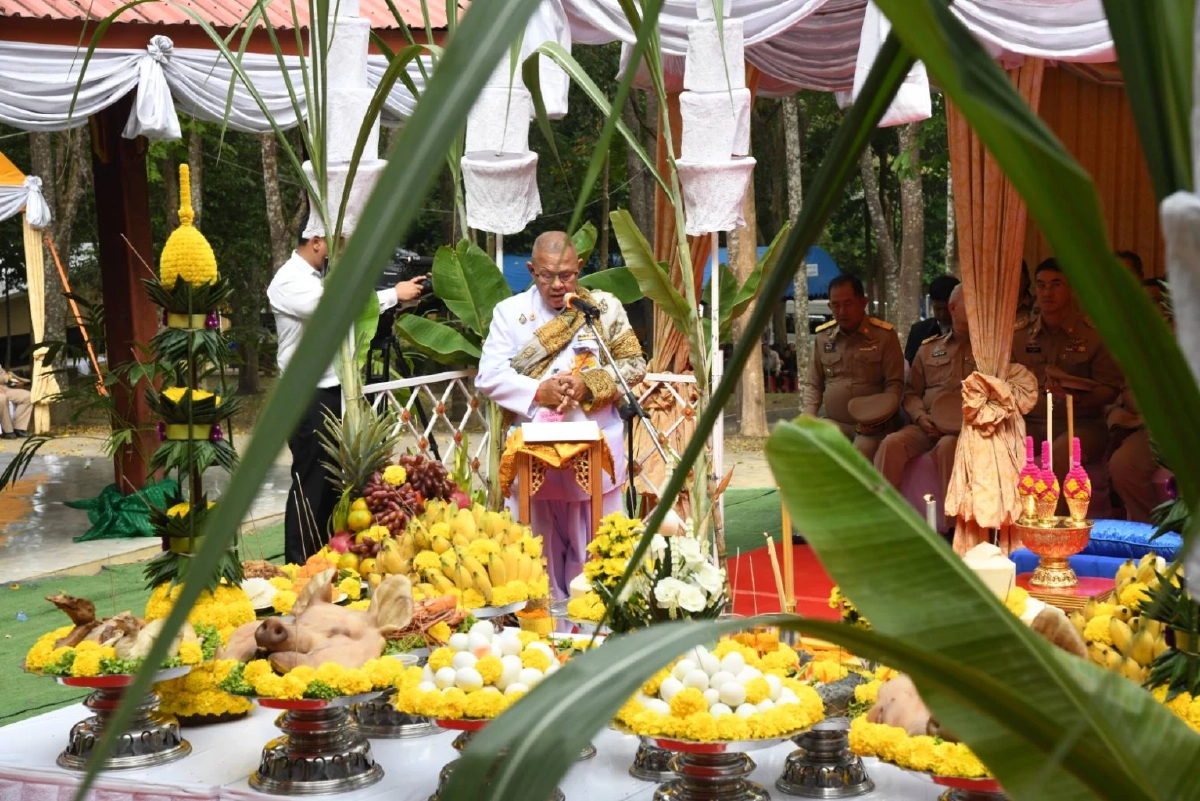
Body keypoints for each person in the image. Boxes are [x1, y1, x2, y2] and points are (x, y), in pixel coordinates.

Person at [476, 231, 646, 600]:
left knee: (601, 556)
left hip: (596, 451)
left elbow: (634, 365)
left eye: (566, 275)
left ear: (580, 268)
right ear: (531, 270)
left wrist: (589, 385)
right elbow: (488, 376)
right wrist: (540, 391)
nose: (557, 285)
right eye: (546, 275)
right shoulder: (509, 313)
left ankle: (598, 630)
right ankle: (543, 630)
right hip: (532, 457)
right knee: (536, 557)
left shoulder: (604, 307)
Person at [268, 227, 427, 566]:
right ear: (315, 242)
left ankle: (327, 558)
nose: (337, 253)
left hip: (332, 387)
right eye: (335, 245)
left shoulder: (316, 277)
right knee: (310, 478)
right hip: (305, 392)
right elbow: (334, 308)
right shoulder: (289, 280)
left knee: (329, 481)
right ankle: (299, 565)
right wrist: (391, 294)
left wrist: (397, 298)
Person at [1011, 258, 1122, 499]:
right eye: (1041, 285)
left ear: (1072, 288)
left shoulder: (1094, 335)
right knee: (1000, 446)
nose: (1046, 292)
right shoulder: (1019, 336)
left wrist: (1077, 397)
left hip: (1081, 424)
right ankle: (1008, 528)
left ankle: (1054, 529)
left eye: (1056, 284)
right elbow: (1008, 382)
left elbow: (1111, 389)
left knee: (1059, 455)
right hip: (1033, 421)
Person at [875, 285, 973, 509]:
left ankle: (954, 530)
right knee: (891, 444)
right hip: (926, 425)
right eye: (971, 302)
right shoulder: (929, 349)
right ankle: (883, 516)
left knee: (948, 446)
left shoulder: (990, 351)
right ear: (953, 308)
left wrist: (954, 426)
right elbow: (910, 393)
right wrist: (920, 417)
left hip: (966, 429)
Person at [802, 273, 904, 461]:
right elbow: (813, 384)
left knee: (861, 452)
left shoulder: (884, 336)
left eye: (848, 304)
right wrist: (808, 416)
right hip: (835, 423)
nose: (841, 311)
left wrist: (878, 418)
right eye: (835, 305)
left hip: (873, 427)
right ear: (829, 306)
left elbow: (895, 386)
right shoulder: (823, 338)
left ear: (863, 302)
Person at [1108, 278, 1172, 524]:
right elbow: (1130, 392)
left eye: (1155, 301)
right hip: (1154, 428)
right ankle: (1153, 533)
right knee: (1124, 464)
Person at [904, 275, 960, 364]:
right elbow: (910, 366)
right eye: (937, 309)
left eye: (946, 309)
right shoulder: (919, 331)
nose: (942, 314)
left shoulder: (971, 332)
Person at [0, 365, 32, 439]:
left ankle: (18, 428)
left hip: (4, 388)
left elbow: (2, 375)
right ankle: (8, 431)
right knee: (2, 398)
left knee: (27, 396)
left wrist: (10, 379)